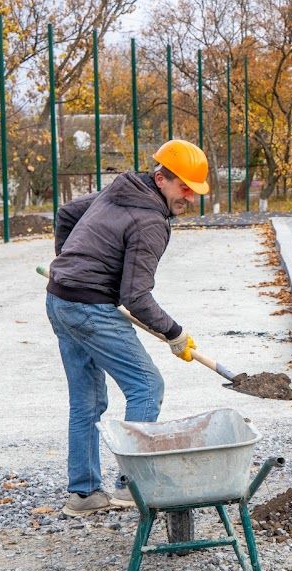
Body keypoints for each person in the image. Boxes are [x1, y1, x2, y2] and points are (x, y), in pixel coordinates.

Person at [46, 139, 209, 516]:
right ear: (161, 178)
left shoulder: (121, 191)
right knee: (147, 386)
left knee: (86, 399)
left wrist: (69, 264)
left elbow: (67, 212)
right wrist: (175, 333)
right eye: (184, 188)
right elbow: (135, 296)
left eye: (194, 190)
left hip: (59, 299)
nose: (189, 198)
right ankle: (129, 485)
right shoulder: (150, 220)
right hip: (88, 308)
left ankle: (84, 494)